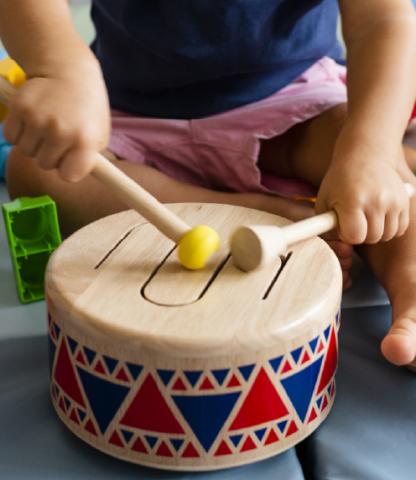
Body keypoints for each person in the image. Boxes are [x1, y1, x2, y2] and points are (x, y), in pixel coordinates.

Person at [1, 0, 416, 367]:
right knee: (37, 171)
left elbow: (381, 19)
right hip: (128, 113)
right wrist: (58, 69)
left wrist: (370, 152)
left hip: (292, 100)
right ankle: (261, 212)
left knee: (384, 166)